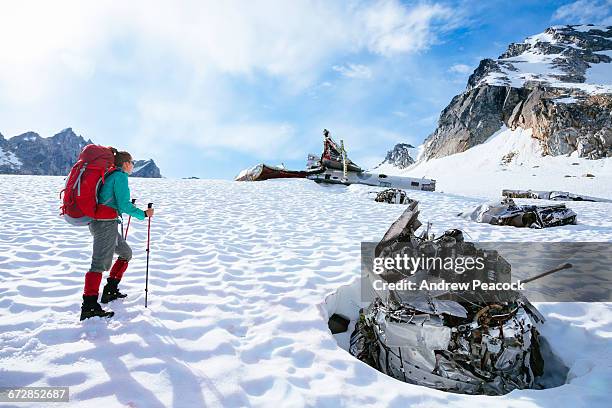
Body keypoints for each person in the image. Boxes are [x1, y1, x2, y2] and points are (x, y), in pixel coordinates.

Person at [80, 150, 155, 321]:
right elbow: (123, 204)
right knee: (98, 263)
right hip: (105, 224)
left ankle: (110, 290)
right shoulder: (120, 176)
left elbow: (117, 202)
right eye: (132, 162)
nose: (133, 166)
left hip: (107, 223)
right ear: (126, 163)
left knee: (125, 253)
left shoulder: (111, 174)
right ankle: (89, 306)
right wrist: (144, 214)